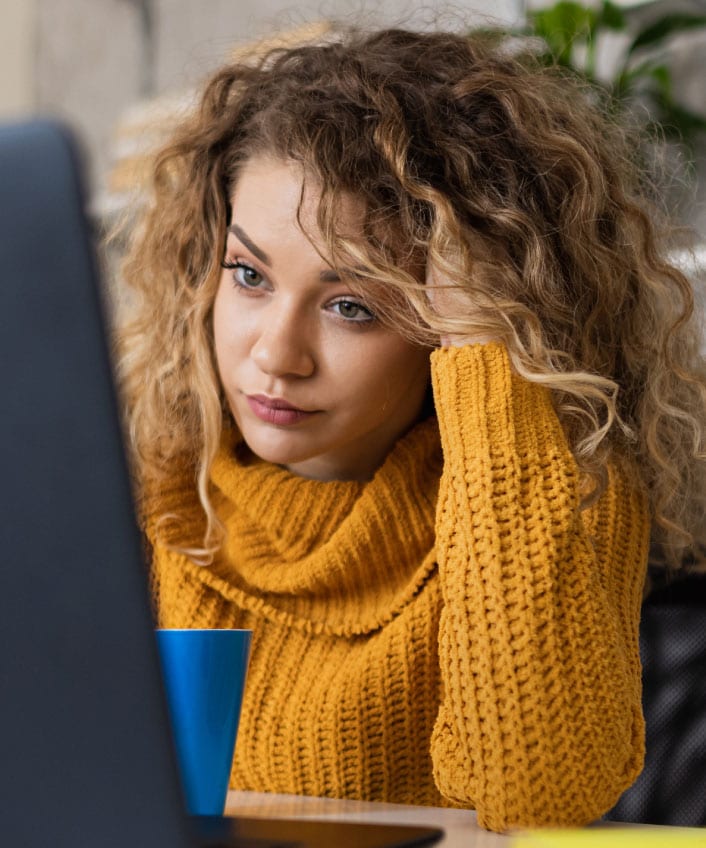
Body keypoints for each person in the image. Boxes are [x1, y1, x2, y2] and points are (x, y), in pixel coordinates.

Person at [115, 25, 706, 832]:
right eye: (249, 276)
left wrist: (486, 347)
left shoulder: (560, 498)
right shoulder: (139, 493)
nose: (277, 355)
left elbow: (538, 794)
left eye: (352, 306)